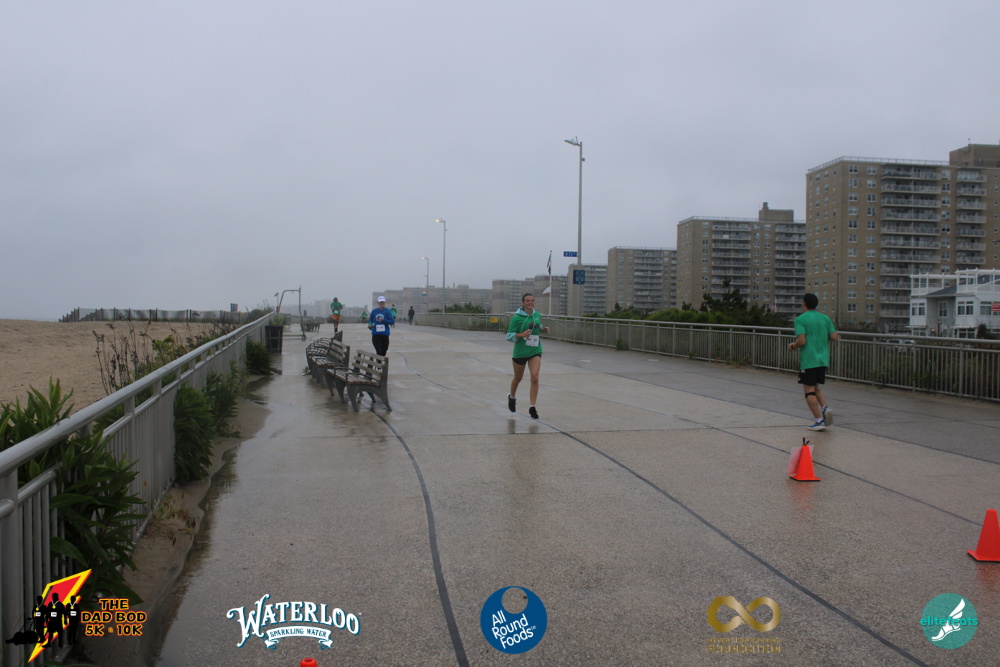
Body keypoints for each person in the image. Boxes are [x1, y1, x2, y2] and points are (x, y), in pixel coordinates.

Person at [787, 292, 839, 431]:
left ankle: (818, 420)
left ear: (804, 303)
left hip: (809, 359)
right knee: (816, 387)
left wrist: (792, 346)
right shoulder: (825, 318)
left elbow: (801, 341)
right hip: (823, 359)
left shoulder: (800, 319)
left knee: (808, 391)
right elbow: (835, 337)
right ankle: (825, 408)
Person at [505, 293, 550, 419]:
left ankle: (532, 407)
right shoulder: (517, 318)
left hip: (535, 350)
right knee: (518, 378)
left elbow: (537, 326)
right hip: (520, 352)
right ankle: (512, 397)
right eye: (528, 301)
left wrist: (543, 329)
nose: (530, 302)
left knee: (534, 377)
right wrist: (521, 334)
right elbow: (508, 336)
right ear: (523, 303)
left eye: (532, 300)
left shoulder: (537, 315)